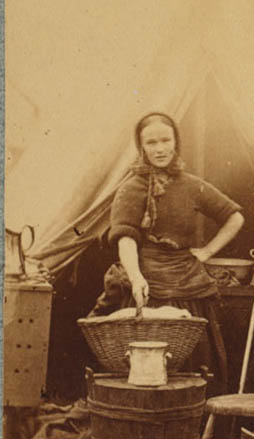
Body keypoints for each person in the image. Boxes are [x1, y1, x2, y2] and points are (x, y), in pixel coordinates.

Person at [91, 112, 245, 395]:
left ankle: (197, 434)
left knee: (199, 365)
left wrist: (208, 251)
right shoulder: (131, 188)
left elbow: (234, 217)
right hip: (146, 285)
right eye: (151, 142)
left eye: (165, 140)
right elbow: (126, 240)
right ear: (141, 147)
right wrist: (136, 278)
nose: (159, 148)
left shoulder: (191, 185)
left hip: (188, 286)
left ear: (176, 142)